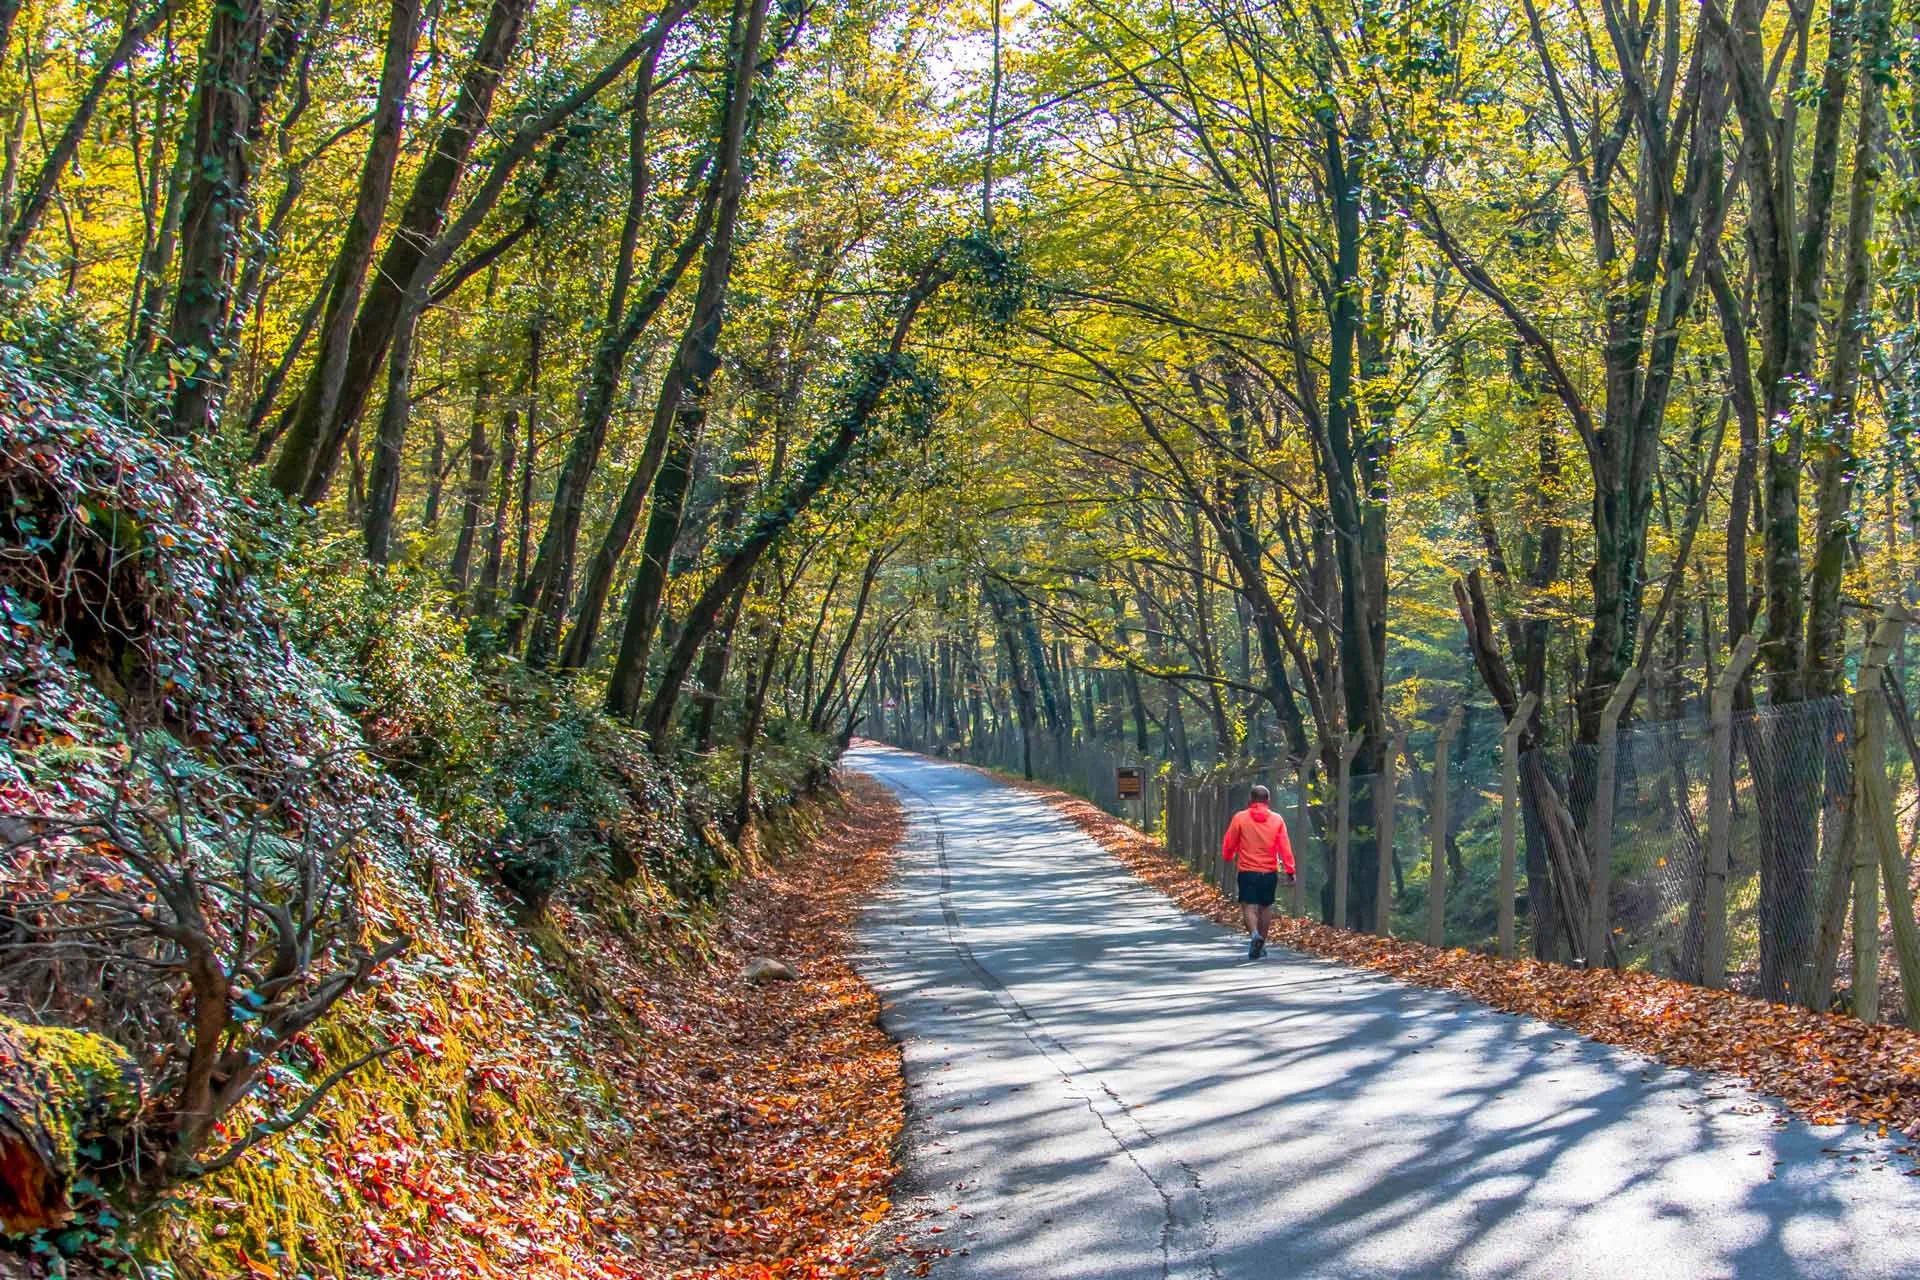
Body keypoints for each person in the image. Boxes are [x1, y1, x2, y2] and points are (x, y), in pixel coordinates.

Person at [1222, 784, 1294, 959]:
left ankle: (1255, 935)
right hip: (1269, 871)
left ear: (1250, 800)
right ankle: (1262, 943)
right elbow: (1285, 847)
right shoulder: (1277, 820)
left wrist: (1228, 855)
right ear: (1268, 801)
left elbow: (1230, 841)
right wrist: (1290, 869)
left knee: (1249, 906)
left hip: (1247, 870)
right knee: (1266, 906)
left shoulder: (1240, 818)